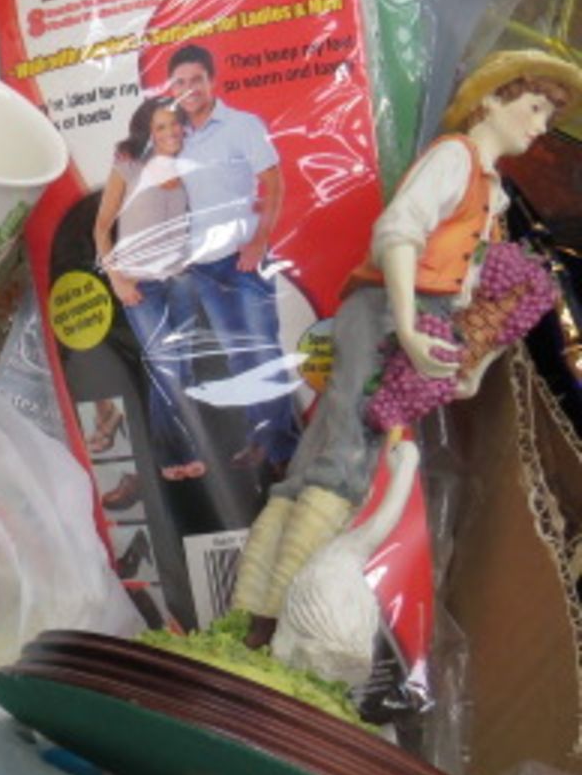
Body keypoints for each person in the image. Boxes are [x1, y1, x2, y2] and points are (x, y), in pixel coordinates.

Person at [232, 49, 582, 628]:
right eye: (535, 106)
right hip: (390, 311)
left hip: (425, 318)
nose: (541, 124)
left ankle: (255, 609)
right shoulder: (453, 158)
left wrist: (468, 360)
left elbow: (474, 284)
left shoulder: (491, 193)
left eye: (549, 114)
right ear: (492, 99)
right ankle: (266, 615)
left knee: (336, 451)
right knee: (346, 453)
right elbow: (398, 235)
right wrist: (408, 326)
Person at [167, 43, 300, 470]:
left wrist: (259, 240)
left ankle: (284, 451)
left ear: (211, 81)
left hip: (245, 259)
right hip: (203, 267)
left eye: (196, 80)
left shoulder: (242, 125)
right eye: (180, 82)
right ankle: (262, 441)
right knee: (239, 356)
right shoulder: (174, 139)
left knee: (262, 351)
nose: (189, 89)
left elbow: (273, 184)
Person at [94, 95, 206, 481]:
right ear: (148, 132)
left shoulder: (191, 166)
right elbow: (101, 227)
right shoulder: (128, 167)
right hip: (140, 287)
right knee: (165, 368)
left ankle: (179, 455)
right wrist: (117, 278)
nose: (170, 131)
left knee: (185, 370)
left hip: (183, 282)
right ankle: (173, 456)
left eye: (174, 123)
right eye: (160, 126)